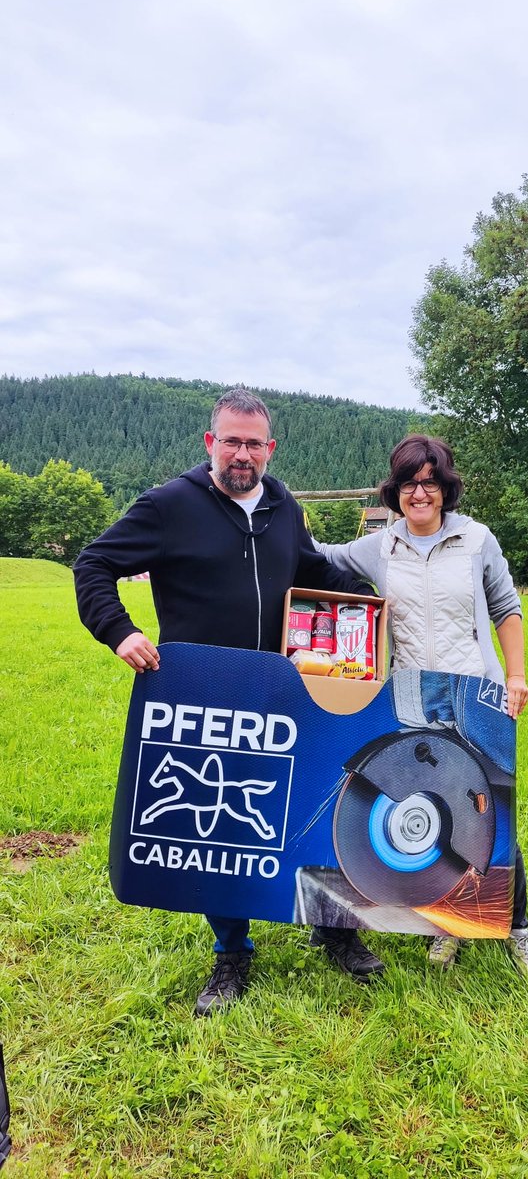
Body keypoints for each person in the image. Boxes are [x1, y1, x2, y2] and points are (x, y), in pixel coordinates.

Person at [74, 388, 385, 1015]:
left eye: (254, 444)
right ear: (210, 442)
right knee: (220, 827)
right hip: (206, 694)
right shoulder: (168, 505)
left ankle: (335, 930)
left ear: (270, 449)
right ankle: (231, 953)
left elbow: (312, 570)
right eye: (231, 441)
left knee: (314, 802)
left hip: (287, 688)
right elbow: (93, 564)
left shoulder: (282, 504)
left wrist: (377, 597)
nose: (242, 454)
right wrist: (119, 631)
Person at [314, 433, 528, 983]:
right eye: (409, 484)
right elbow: (320, 556)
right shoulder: (380, 547)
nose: (419, 493)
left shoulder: (476, 539)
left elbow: (506, 607)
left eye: (430, 482)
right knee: (435, 807)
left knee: (494, 815)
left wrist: (516, 676)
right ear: (394, 491)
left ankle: (517, 929)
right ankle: (449, 925)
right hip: (413, 697)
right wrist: (277, 514)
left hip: (476, 695)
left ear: (445, 488)